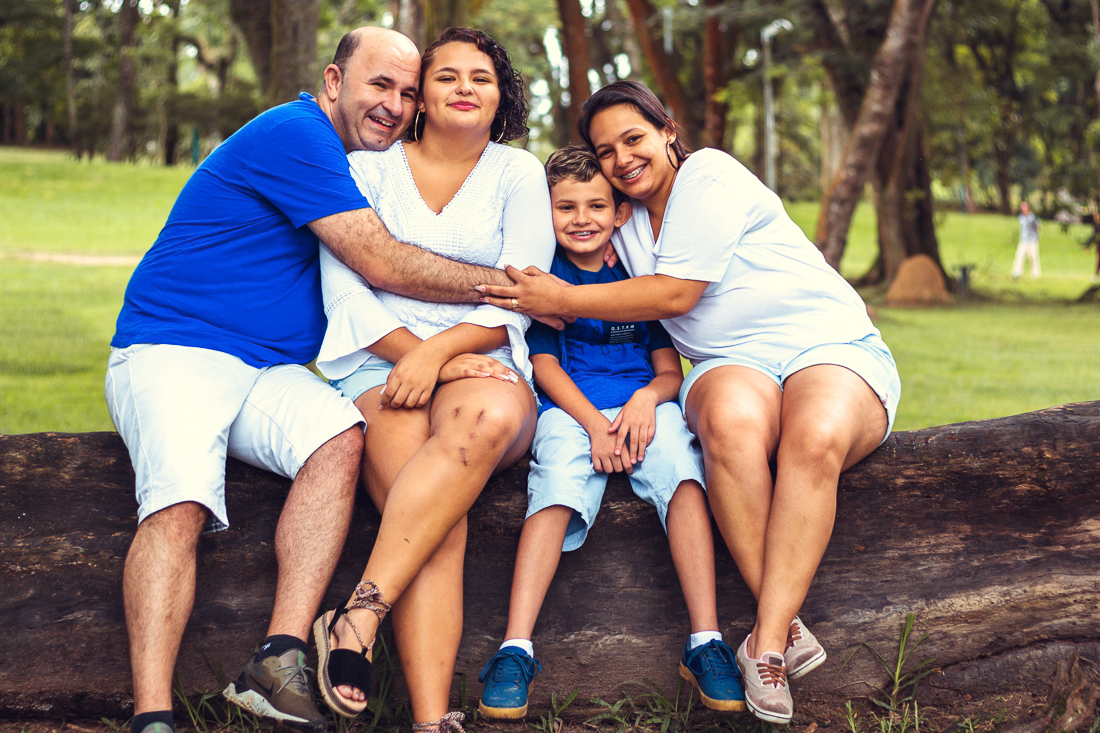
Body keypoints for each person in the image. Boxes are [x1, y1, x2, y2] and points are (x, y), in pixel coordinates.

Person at [105, 27, 529, 733]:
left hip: (264, 370)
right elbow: (383, 264)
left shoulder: (363, 163)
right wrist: (513, 289)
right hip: (173, 349)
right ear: (334, 82)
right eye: (377, 86)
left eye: (404, 91)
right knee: (179, 501)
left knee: (340, 437)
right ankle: (152, 713)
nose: (393, 105)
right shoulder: (298, 134)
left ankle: (278, 657)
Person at [476, 80, 901, 725]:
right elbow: (560, 239)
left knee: (813, 438)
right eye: (606, 150)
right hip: (734, 366)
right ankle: (782, 629)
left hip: (827, 341)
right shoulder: (625, 224)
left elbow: (673, 296)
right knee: (729, 427)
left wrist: (556, 301)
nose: (622, 158)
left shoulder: (708, 175)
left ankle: (764, 642)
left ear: (669, 130)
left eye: (634, 139)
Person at [310, 28, 554, 733]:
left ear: (501, 93)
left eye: (481, 76)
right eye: (445, 76)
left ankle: (358, 615)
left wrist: (441, 352)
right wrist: (420, 355)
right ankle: (431, 720)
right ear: (421, 98)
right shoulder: (369, 170)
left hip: (483, 356)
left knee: (483, 423)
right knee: (435, 522)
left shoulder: (517, 173)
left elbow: (521, 291)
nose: (464, 87)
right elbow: (347, 292)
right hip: (378, 356)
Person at [475, 145, 744, 720]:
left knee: (684, 473)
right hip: (570, 413)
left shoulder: (637, 281)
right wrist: (595, 425)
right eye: (565, 206)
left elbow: (670, 370)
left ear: (619, 213)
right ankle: (515, 648)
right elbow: (544, 367)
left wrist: (647, 400)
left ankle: (706, 641)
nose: (582, 218)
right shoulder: (545, 282)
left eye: (597, 205)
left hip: (644, 409)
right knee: (555, 485)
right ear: (544, 213)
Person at [1012, 201, 1041, 280]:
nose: (1023, 208)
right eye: (1022, 207)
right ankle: (1016, 273)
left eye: (1024, 206)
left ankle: (1035, 275)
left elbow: (1038, 227)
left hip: (1032, 241)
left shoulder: (1033, 217)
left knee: (1033, 258)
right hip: (1023, 240)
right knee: (1019, 256)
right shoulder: (1021, 217)